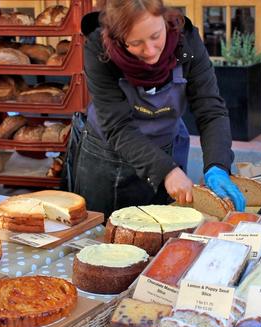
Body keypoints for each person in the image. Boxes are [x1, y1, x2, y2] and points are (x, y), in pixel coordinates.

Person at [76, 0, 245, 217]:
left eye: (156, 36)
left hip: (166, 148)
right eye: (136, 43)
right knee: (104, 236)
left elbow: (210, 109)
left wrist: (217, 164)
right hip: (107, 157)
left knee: (162, 233)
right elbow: (117, 126)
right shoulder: (100, 50)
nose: (150, 50)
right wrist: (165, 171)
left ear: (165, 20)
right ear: (118, 38)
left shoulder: (187, 44)